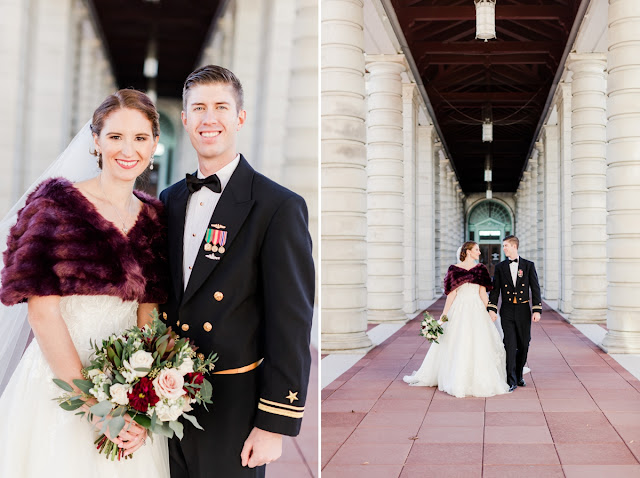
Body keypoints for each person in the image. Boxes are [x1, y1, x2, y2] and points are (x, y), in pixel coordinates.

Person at [0, 89, 170, 477]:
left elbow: (150, 313)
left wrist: (139, 400)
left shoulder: (156, 219)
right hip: (57, 383)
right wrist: (94, 405)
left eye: (141, 138)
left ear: (155, 144)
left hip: (127, 385)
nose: (128, 150)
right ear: (96, 140)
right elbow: (42, 315)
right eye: (115, 137)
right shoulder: (55, 205)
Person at [160, 65, 314, 478]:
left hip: (233, 404)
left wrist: (274, 423)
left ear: (240, 117)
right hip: (164, 396)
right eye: (199, 108)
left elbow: (291, 321)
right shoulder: (169, 200)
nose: (210, 118)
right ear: (186, 119)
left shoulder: (277, 206)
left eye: (221, 107)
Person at [403, 241, 509, 398]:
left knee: (478, 342)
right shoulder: (453, 269)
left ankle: (479, 379)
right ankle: (455, 378)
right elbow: (451, 295)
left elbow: (482, 294)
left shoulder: (481, 269)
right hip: (459, 309)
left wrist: (491, 310)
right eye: (477, 250)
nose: (479, 253)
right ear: (468, 251)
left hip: (477, 310)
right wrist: (444, 316)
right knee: (457, 341)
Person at [488, 235, 541, 392]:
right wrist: (492, 308)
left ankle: (519, 375)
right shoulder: (500, 267)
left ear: (514, 246)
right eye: (503, 246)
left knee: (524, 344)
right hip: (508, 310)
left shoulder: (528, 265)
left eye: (506, 246)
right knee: (510, 345)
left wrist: (537, 309)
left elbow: (535, 288)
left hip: (524, 309)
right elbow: (495, 290)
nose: (503, 248)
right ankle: (510, 380)